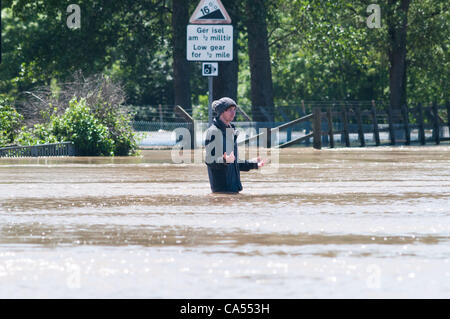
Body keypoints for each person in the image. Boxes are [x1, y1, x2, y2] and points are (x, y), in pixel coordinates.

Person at [204, 97, 265, 193]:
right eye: (229, 110)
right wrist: (224, 160)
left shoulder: (230, 132)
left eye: (234, 110)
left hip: (233, 189)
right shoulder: (213, 132)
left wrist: (252, 164)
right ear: (221, 112)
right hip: (222, 192)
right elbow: (209, 160)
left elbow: (233, 162)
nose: (233, 113)